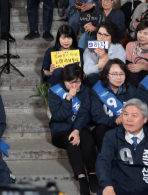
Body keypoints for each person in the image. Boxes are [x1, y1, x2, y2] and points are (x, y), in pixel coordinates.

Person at [96, 98, 148, 195]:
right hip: (119, 188)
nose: (128, 119)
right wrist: (107, 186)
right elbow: (103, 162)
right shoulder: (111, 136)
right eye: (126, 114)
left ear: (144, 119)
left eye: (134, 115)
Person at [48, 63, 98, 195]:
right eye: (71, 82)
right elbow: (58, 116)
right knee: (70, 139)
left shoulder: (86, 91)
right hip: (60, 130)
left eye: (78, 82)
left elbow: (85, 113)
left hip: (80, 127)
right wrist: (69, 98)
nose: (75, 86)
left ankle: (92, 174)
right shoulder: (54, 91)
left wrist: (76, 129)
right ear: (64, 81)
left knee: (87, 136)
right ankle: (82, 178)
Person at [90, 60, 137, 151]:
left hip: (127, 125)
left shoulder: (132, 90)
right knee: (101, 129)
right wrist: (115, 120)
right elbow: (97, 116)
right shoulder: (97, 91)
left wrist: (126, 118)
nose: (118, 78)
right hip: (106, 126)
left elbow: (139, 110)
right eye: (114, 74)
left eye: (121, 74)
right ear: (107, 75)